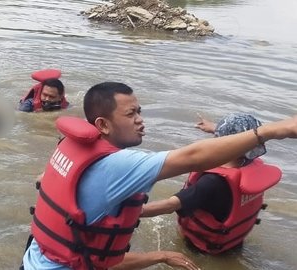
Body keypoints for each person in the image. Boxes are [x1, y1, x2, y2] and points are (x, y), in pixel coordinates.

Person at [21, 82, 297, 270]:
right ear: (102, 124)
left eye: (139, 111)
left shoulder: (71, 148)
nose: (141, 119)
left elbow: (90, 251)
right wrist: (274, 130)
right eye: (131, 114)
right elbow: (192, 157)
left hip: (35, 259)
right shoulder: (118, 166)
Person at [141, 113, 282, 254]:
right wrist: (215, 128)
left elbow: (170, 205)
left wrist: (132, 211)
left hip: (200, 249)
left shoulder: (212, 182)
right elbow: (242, 143)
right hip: (234, 244)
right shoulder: (251, 169)